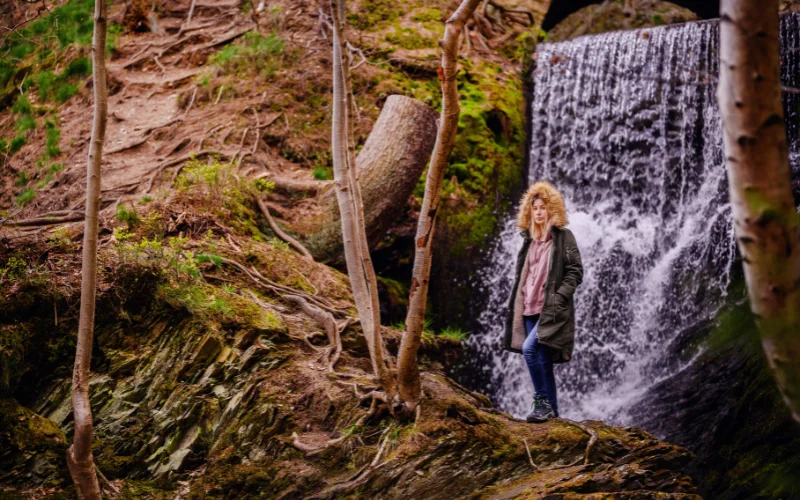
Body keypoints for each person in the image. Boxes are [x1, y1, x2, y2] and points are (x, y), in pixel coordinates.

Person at [503, 181, 583, 423]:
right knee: (543, 361)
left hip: (551, 309)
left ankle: (541, 402)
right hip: (529, 307)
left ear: (552, 210)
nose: (538, 212)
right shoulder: (529, 240)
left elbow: (575, 271)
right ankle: (554, 414)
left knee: (529, 349)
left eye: (543, 208)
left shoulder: (563, 237)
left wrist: (559, 297)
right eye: (534, 208)